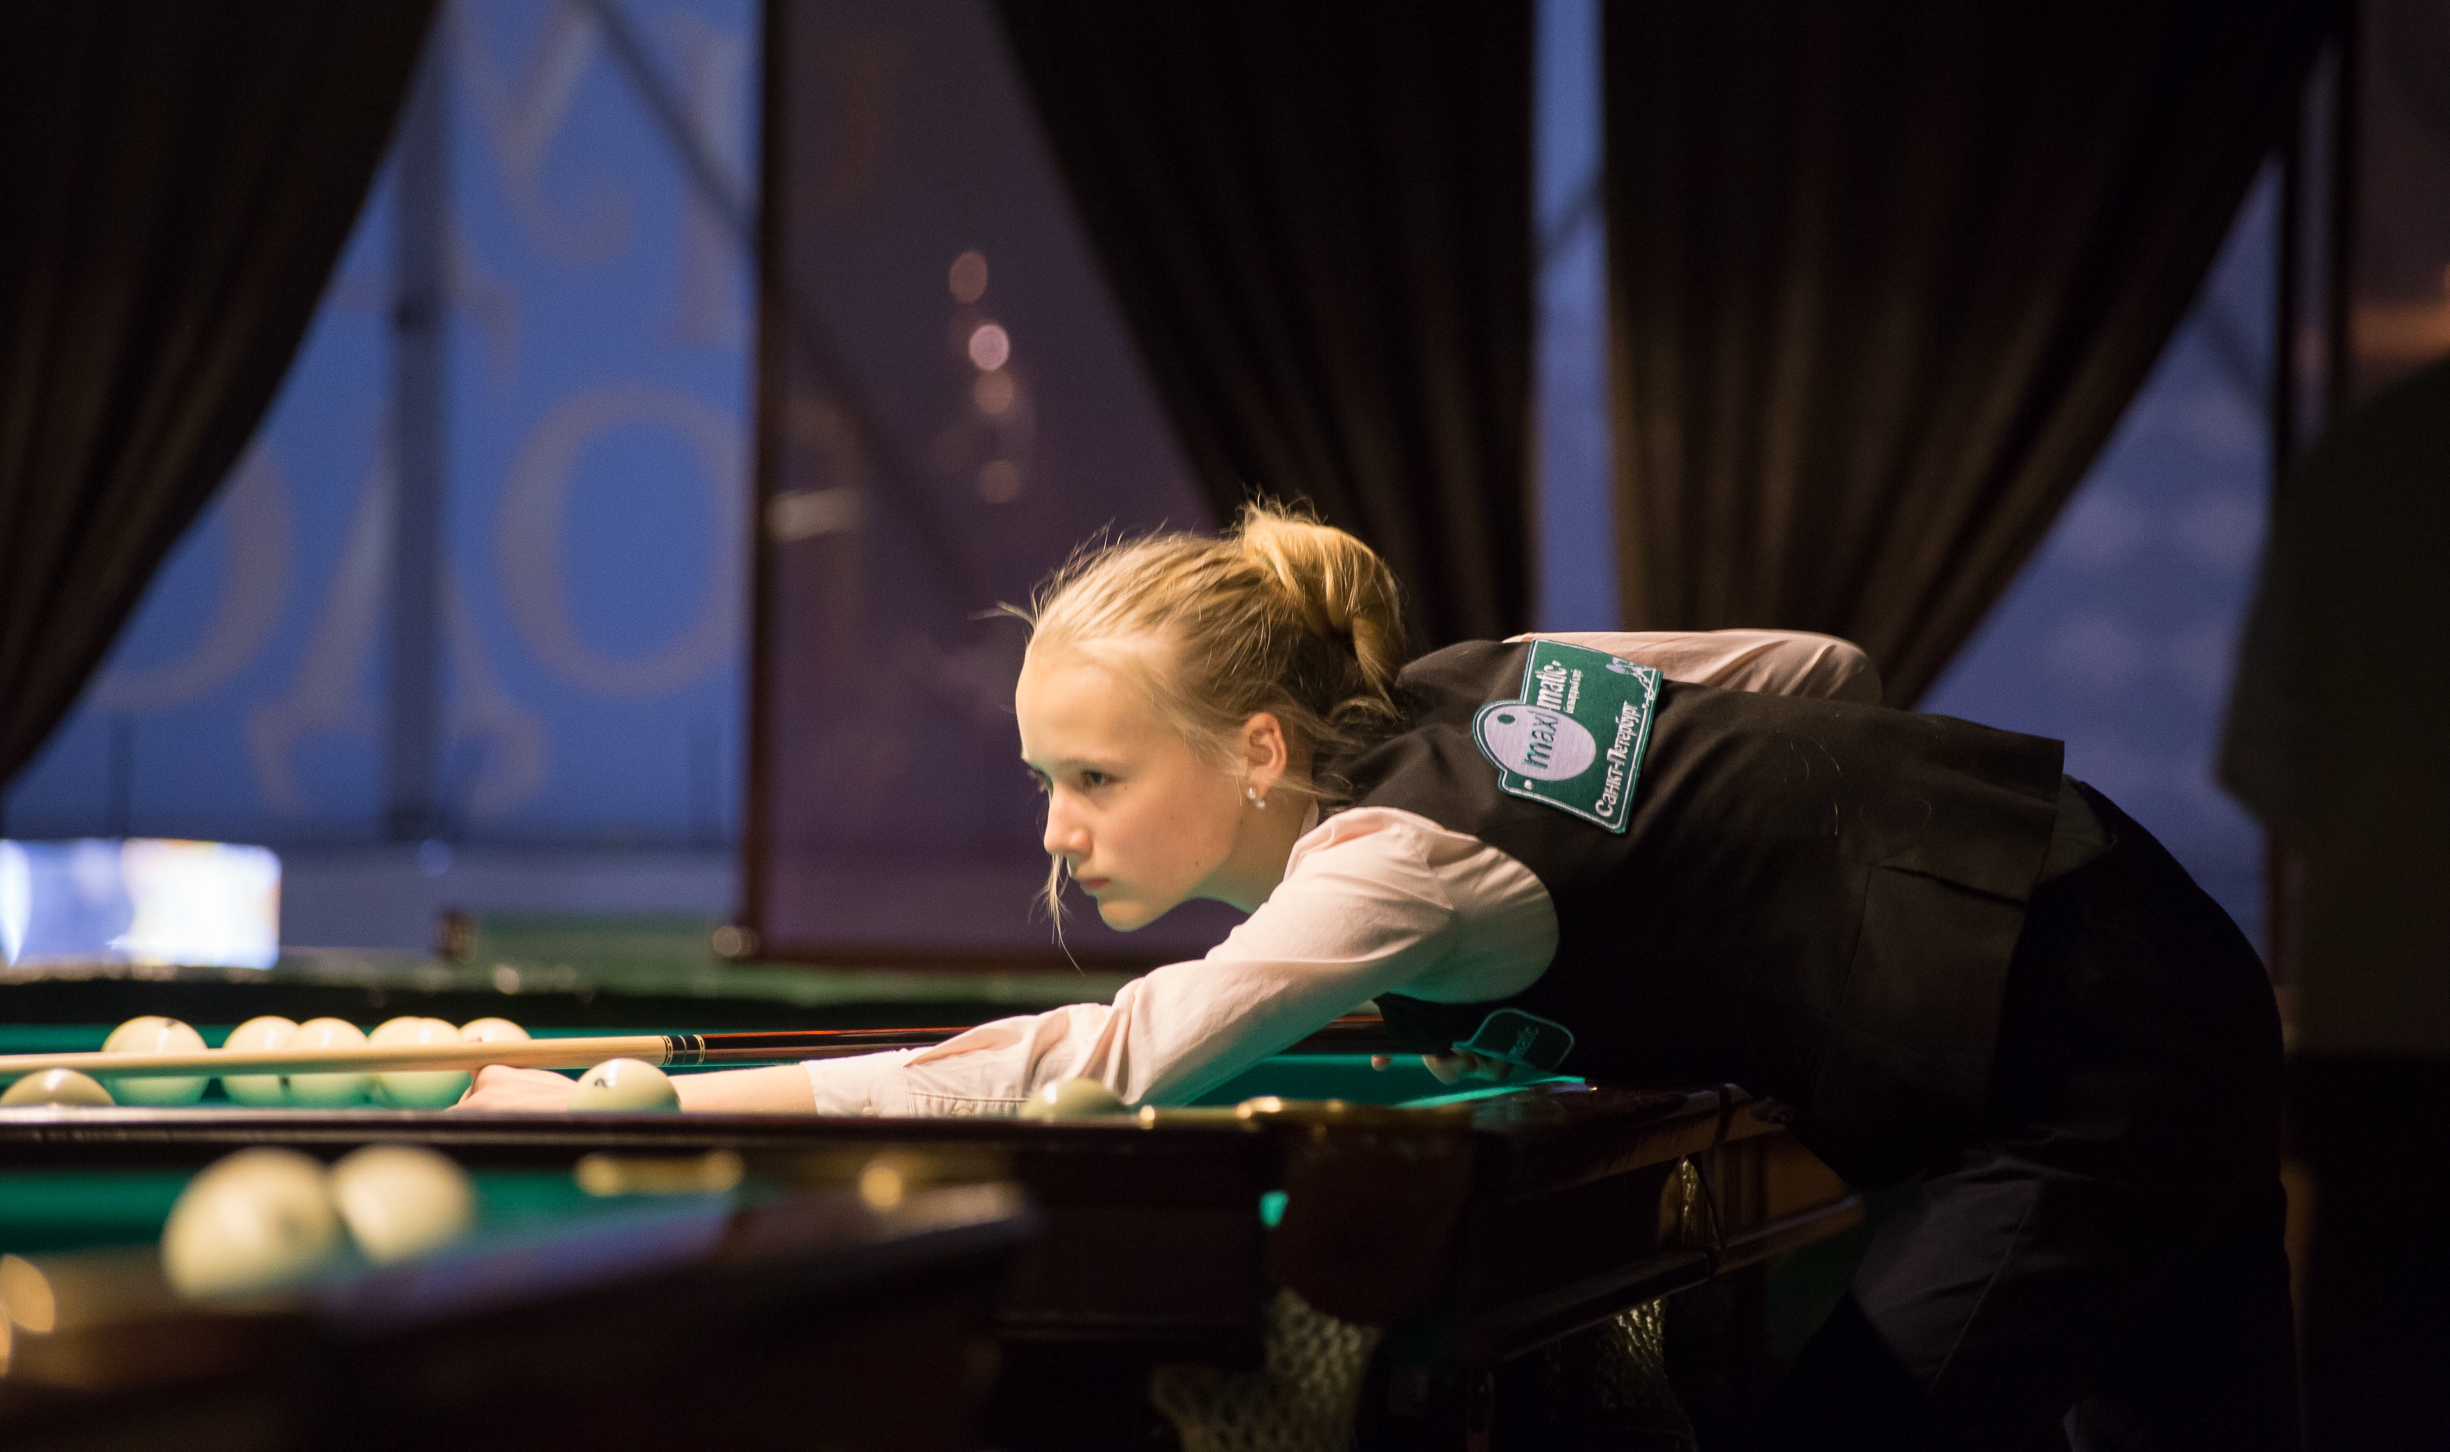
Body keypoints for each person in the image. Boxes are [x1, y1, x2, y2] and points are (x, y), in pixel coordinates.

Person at [461, 504, 2290, 1448]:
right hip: (2129, 926)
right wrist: (1741, 881)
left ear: (1258, 749)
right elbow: (1819, 668)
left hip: (2089, 1044)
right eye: (1042, 780)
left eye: (1094, 776)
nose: (1059, 831)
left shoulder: (1390, 862)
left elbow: (1094, 1064)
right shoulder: (1467, 682)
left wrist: (664, 1097)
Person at [2219, 354, 2450, 1450]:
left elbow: (2259, 753)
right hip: (2380, 1015)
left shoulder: (2366, 456)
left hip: (2377, 1011)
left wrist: (2379, 841)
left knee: (2375, 1382)